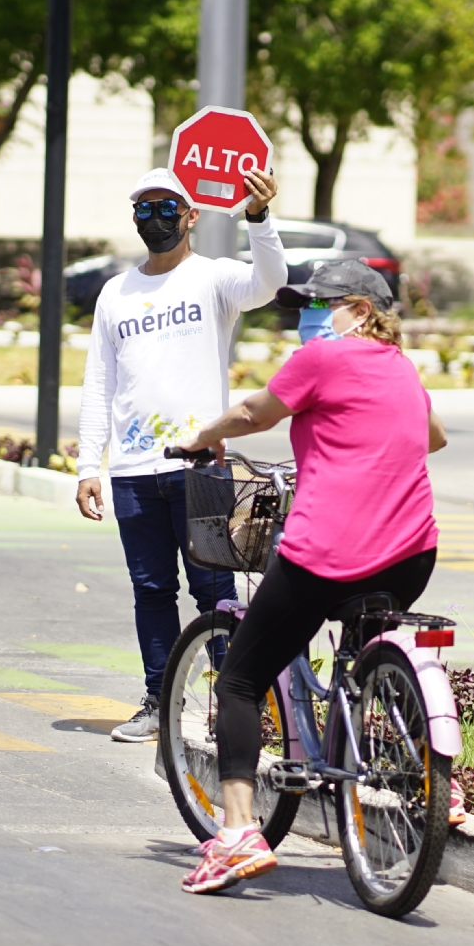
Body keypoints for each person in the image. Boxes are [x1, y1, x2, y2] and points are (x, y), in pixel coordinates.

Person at [169, 260, 452, 894]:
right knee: (362, 651)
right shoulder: (404, 369)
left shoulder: (323, 362)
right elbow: (432, 438)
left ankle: (238, 834)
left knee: (241, 677)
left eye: (318, 306)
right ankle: (428, 775)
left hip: (328, 553)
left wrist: (203, 437)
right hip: (410, 556)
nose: (307, 320)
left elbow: (253, 414)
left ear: (357, 308)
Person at [76, 165, 286, 742]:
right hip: (134, 472)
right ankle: (158, 702)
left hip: (199, 468)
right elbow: (100, 383)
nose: (156, 219)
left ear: (192, 217)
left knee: (214, 590)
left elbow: (269, 283)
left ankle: (234, 706)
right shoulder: (115, 293)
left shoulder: (213, 280)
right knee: (151, 591)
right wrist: (87, 465)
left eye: (167, 208)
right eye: (144, 209)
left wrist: (260, 219)